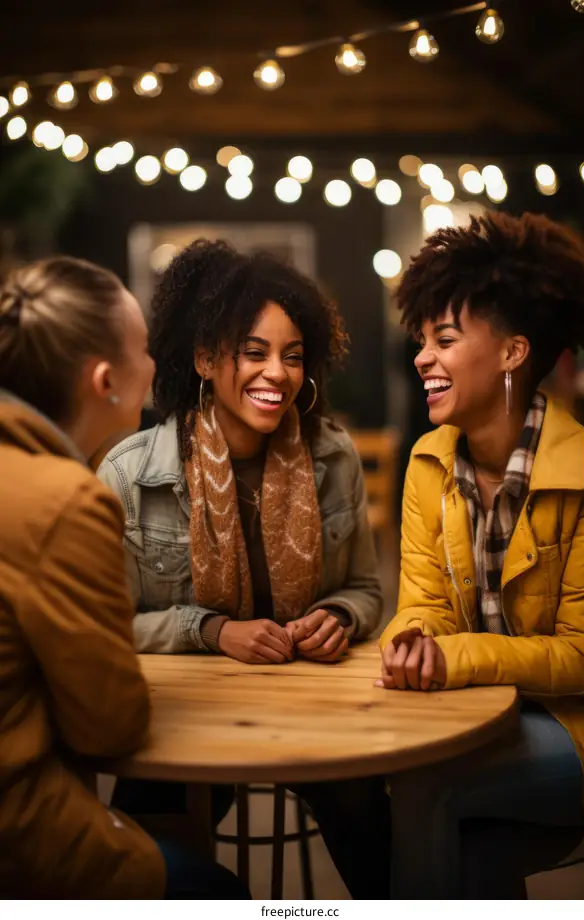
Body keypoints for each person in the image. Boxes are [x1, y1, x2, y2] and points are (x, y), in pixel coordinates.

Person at [98, 238, 390, 898]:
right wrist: (208, 630)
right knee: (148, 848)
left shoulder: (332, 455)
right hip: (185, 714)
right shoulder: (132, 475)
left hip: (313, 708)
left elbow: (369, 590)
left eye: (292, 356)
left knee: (376, 827)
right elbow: (109, 629)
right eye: (254, 352)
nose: (277, 374)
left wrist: (340, 615)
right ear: (204, 358)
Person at [0, 256, 249, 899]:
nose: (155, 369)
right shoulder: (69, 501)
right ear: (106, 380)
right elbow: (108, 726)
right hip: (20, 836)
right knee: (218, 893)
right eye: (144, 352)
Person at [378, 210, 584, 898]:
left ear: (511, 352)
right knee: (444, 847)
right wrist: (412, 638)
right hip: (471, 712)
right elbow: (422, 601)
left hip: (573, 728)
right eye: (420, 339)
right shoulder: (426, 463)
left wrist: (452, 658)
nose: (421, 357)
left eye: (444, 338)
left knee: (425, 786)